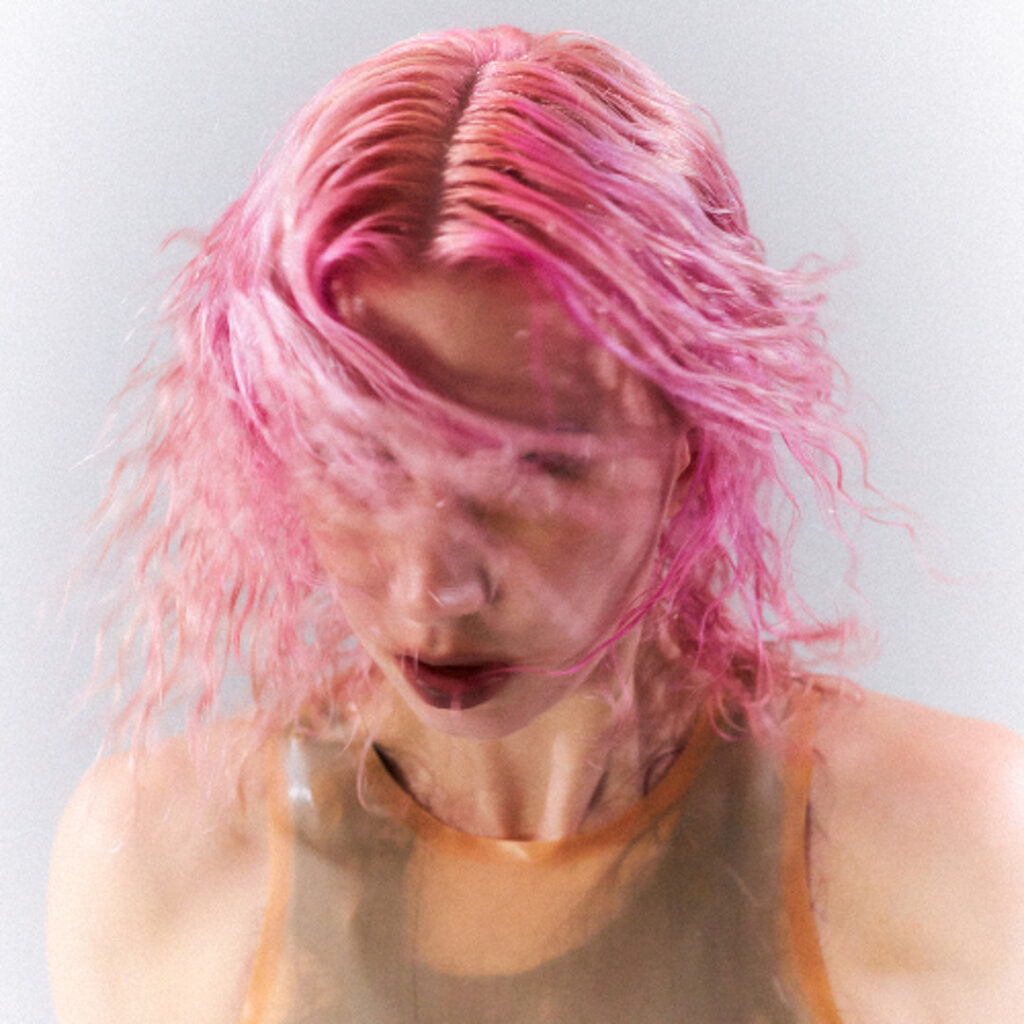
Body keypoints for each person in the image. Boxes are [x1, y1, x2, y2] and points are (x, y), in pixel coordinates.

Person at [47, 26, 1024, 1024]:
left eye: (534, 471)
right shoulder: (164, 865)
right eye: (359, 460)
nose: (434, 586)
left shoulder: (953, 847)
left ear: (690, 440)